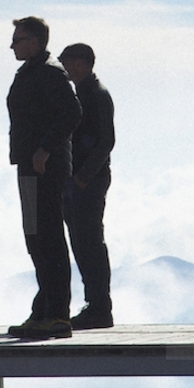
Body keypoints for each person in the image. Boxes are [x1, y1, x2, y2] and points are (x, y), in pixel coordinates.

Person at [5, 15, 82, 340]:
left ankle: (58, 315)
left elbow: (72, 112)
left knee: (48, 238)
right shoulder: (32, 72)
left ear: (34, 42)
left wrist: (45, 150)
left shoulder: (49, 72)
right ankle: (43, 309)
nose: (12, 46)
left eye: (18, 39)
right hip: (29, 168)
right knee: (36, 238)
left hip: (45, 170)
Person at [58, 43, 115, 329]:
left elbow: (106, 141)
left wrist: (82, 177)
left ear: (81, 64)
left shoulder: (95, 94)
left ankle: (99, 307)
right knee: (81, 241)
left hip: (87, 181)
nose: (63, 66)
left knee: (89, 241)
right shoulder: (85, 93)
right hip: (79, 180)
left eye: (66, 61)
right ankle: (94, 305)